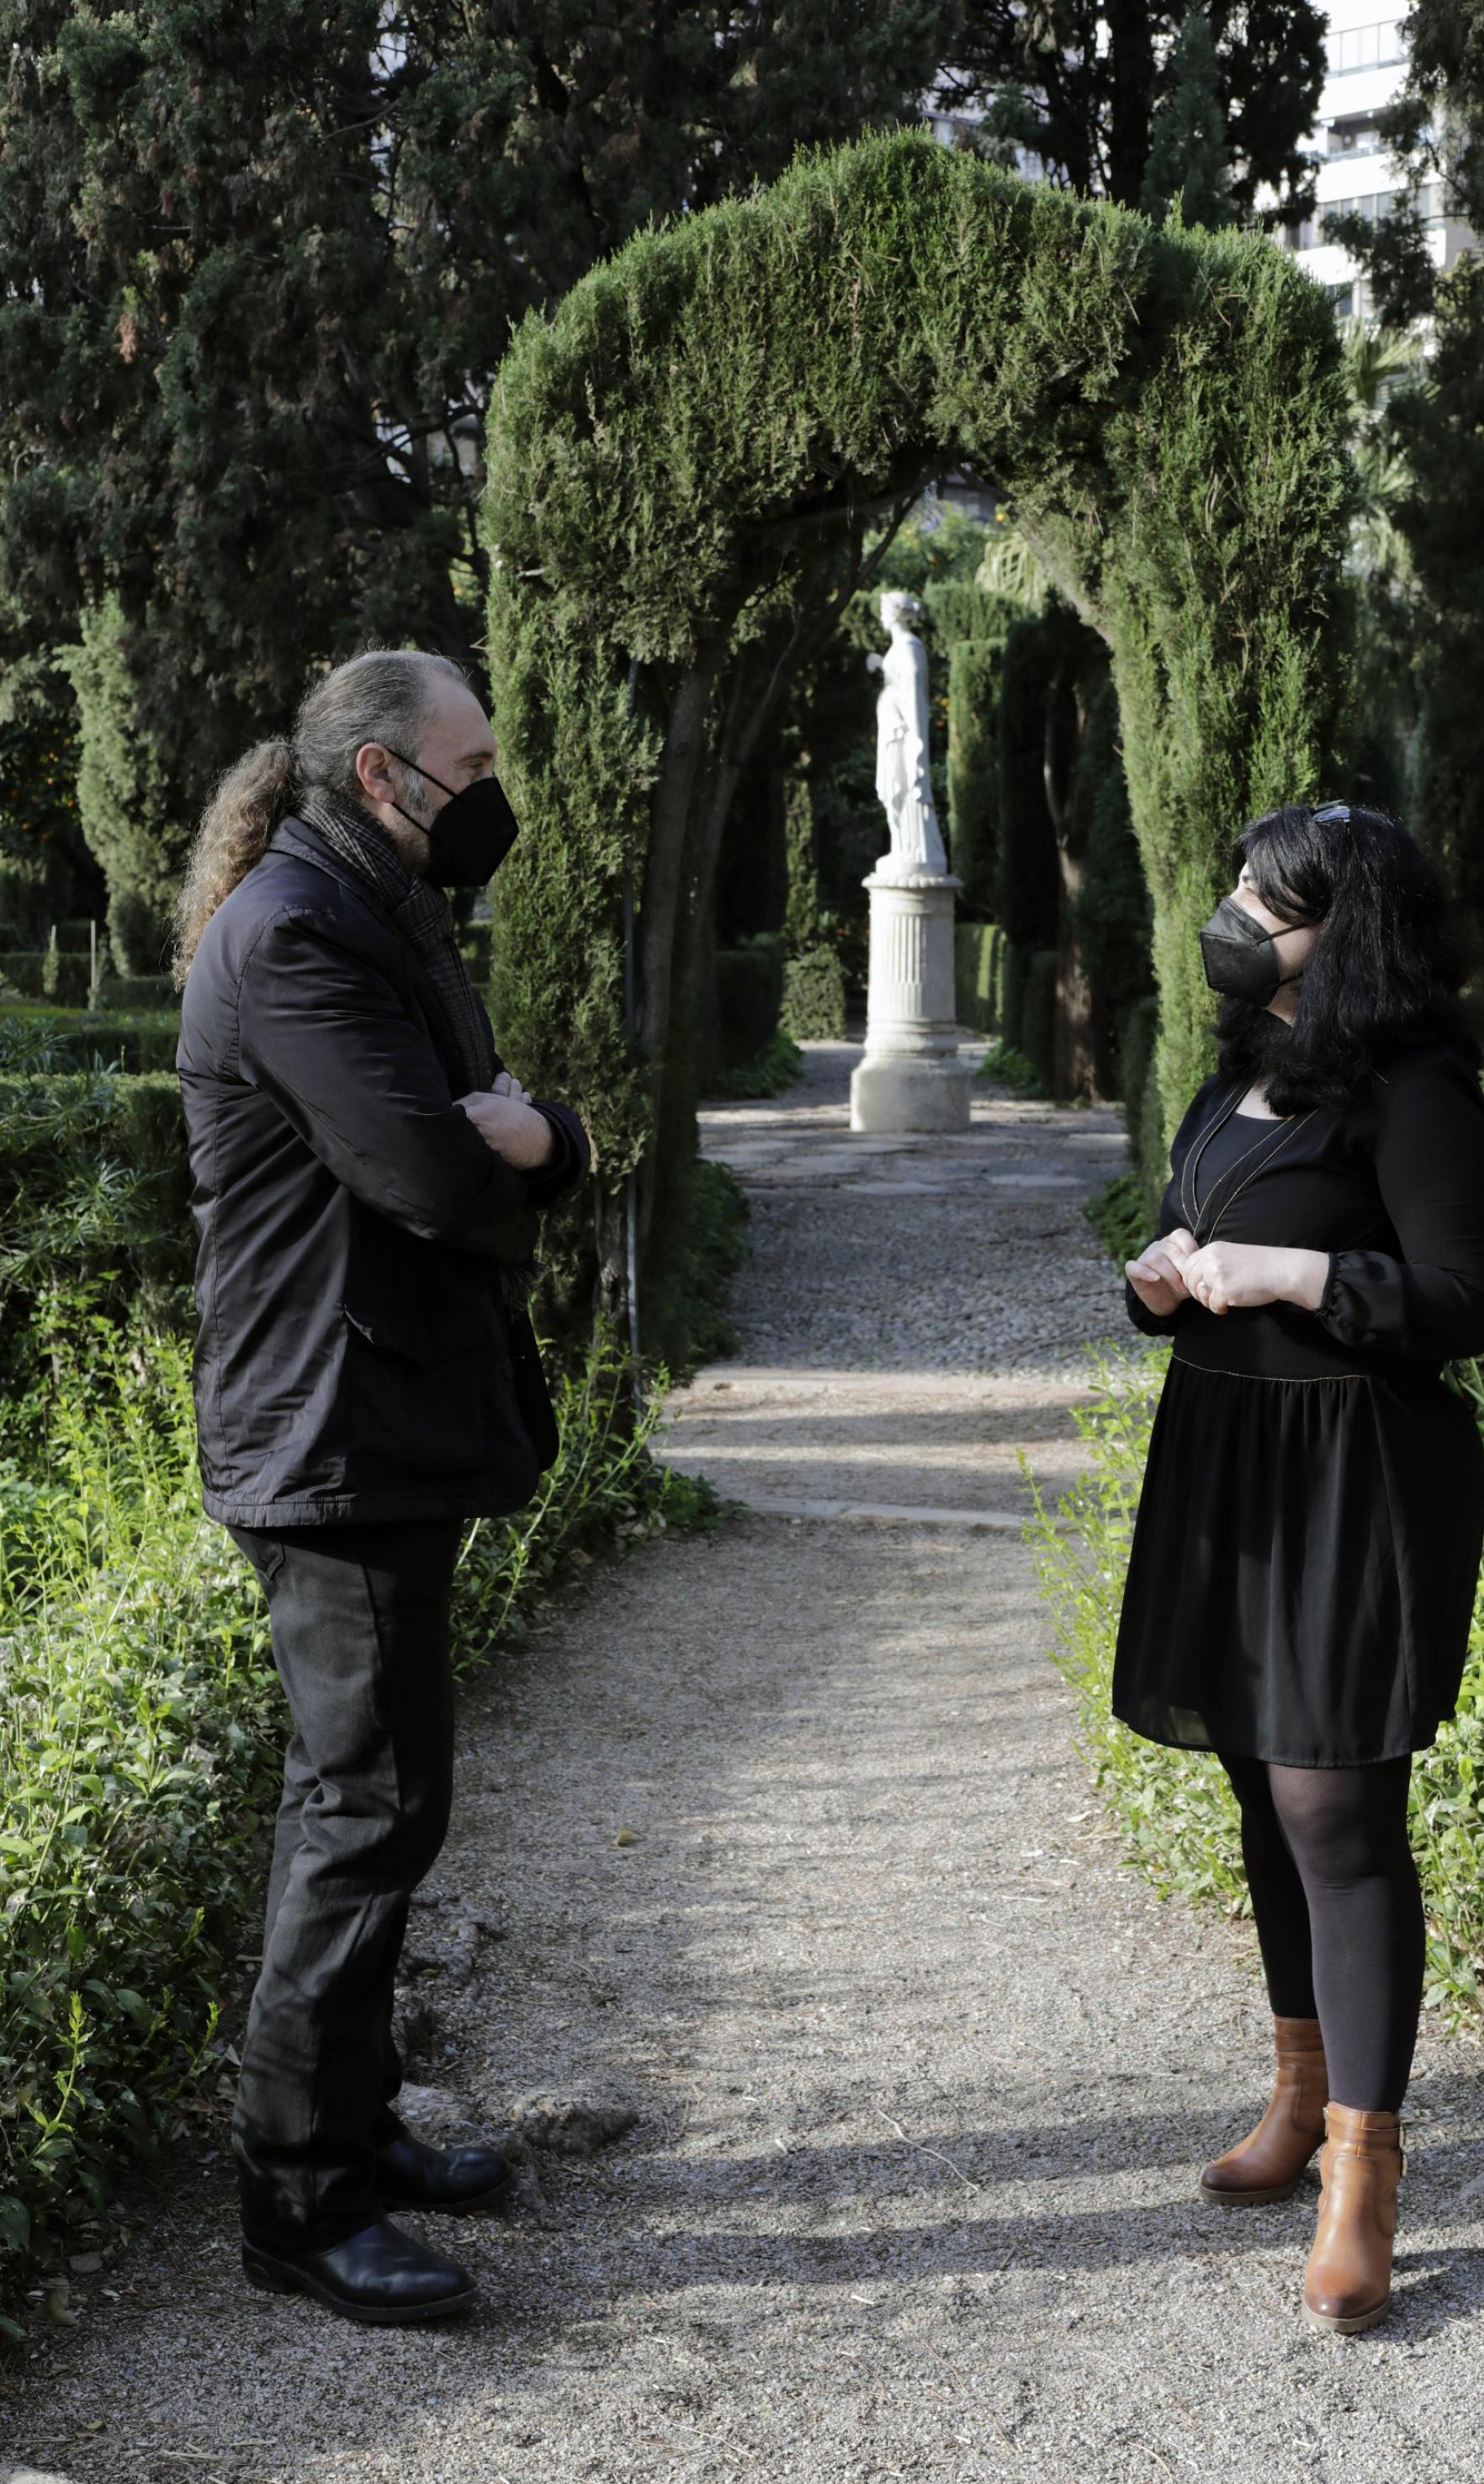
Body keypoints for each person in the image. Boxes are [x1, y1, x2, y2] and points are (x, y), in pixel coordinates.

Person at [174, 649, 591, 2327]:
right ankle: (297, 2202)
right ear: (381, 775)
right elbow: (431, 1164)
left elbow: (499, 1129)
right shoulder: (293, 934)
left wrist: (540, 1134)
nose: (492, 791)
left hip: (377, 1422)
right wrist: (517, 1148)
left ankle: (351, 2128)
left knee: (390, 1801)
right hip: (325, 1437)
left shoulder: (380, 904)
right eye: (471, 762)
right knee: (358, 1815)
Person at [1116, 801, 1484, 2336]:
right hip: (1226, 1457)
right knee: (1254, 1788)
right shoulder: (1243, 1070)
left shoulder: (1414, 1084)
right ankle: (1297, 2091)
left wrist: (1294, 1272)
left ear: (1340, 931)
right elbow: (1181, 1224)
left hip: (1355, 1468)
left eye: (1258, 898)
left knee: (1334, 1805)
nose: (1228, 912)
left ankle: (1364, 2179)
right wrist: (1160, 1278)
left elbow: (1465, 1299)